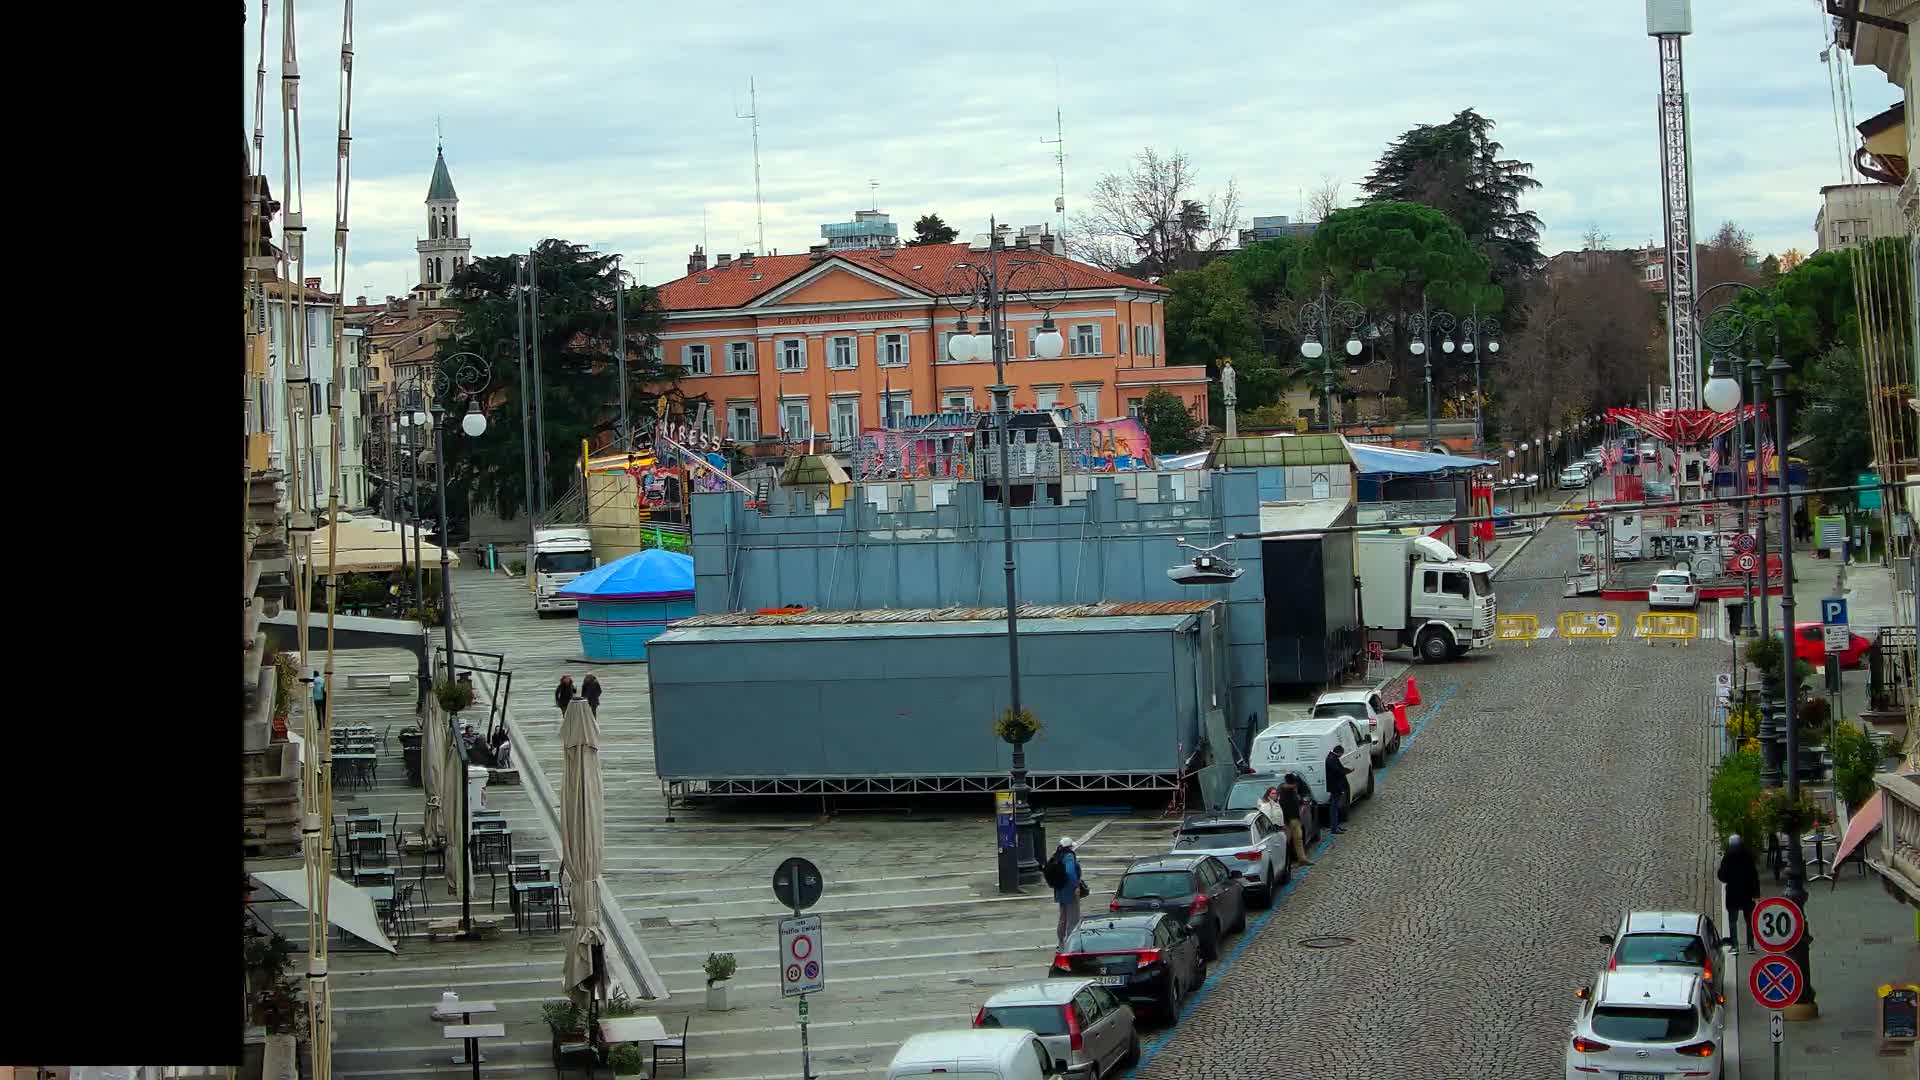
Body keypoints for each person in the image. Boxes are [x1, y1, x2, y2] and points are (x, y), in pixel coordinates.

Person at [1717, 834, 1759, 952]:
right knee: (1749, 921)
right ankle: (1750, 945)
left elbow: (1723, 876)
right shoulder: (1747, 856)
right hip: (1747, 893)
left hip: (1733, 894)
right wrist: (1756, 893)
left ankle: (1735, 946)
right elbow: (1754, 875)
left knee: (1732, 921)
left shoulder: (1727, 857)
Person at [1047, 837, 1083, 949]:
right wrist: (1076, 886)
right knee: (1073, 918)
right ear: (1070, 847)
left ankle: (1061, 943)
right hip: (1069, 890)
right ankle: (1071, 944)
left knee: (1062, 917)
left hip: (1059, 890)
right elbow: (1070, 872)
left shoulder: (1057, 855)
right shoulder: (1069, 856)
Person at [1278, 776, 1314, 866]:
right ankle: (1285, 863)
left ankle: (1302, 859)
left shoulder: (1292, 791)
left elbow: (1296, 800)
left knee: (1298, 839)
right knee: (1287, 841)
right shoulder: (1283, 788)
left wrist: (1302, 802)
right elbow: (1286, 787)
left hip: (1294, 818)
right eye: (1295, 784)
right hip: (1286, 820)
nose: (1296, 786)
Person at [1323, 746, 1352, 834]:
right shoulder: (1332, 759)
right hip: (1335, 787)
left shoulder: (1332, 758)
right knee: (1334, 808)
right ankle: (1334, 828)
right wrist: (1347, 771)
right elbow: (1338, 770)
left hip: (1336, 786)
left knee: (1335, 807)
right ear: (1339, 752)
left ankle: (1336, 826)